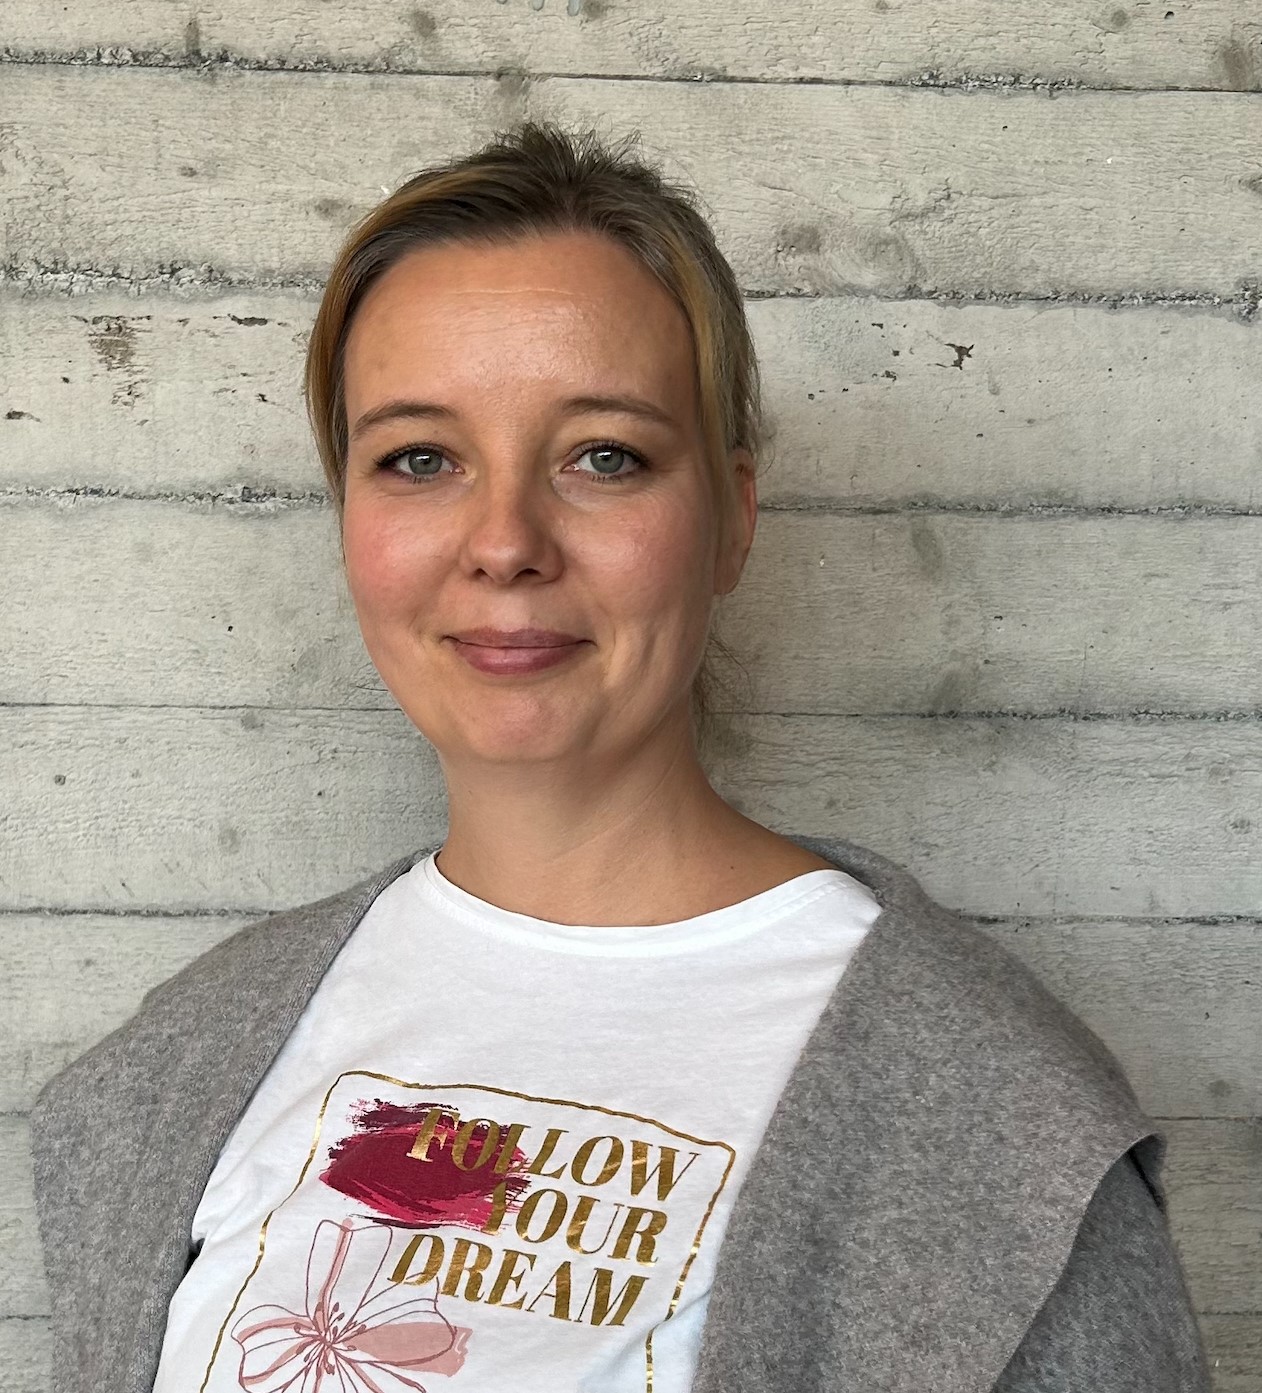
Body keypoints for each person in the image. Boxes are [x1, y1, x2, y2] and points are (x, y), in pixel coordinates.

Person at [30, 121, 1210, 1393]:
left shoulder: (998, 1126)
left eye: (604, 456)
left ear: (730, 521)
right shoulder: (170, 1069)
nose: (504, 542)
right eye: (419, 458)